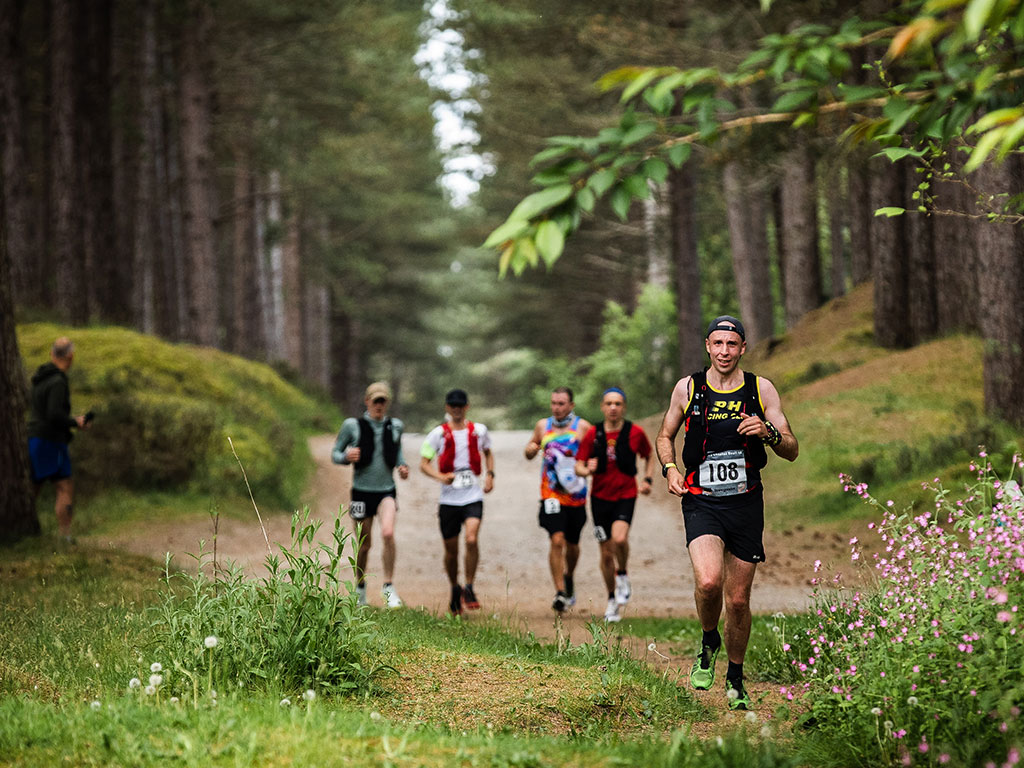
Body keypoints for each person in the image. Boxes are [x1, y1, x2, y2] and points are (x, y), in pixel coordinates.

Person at [656, 315, 798, 711]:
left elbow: (791, 447)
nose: (724, 351)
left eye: (731, 345)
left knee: (737, 601)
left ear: (742, 348)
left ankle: (735, 678)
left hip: (746, 501)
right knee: (708, 582)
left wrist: (768, 433)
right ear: (707, 346)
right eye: (717, 344)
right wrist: (670, 468)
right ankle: (708, 640)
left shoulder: (760, 388)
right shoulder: (689, 388)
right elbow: (665, 435)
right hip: (701, 499)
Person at [575, 387, 654, 623]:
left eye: (618, 403)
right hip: (599, 498)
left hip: (625, 494)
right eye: (609, 403)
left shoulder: (635, 433)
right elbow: (578, 465)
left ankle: (623, 573)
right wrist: (585, 470)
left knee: (619, 539)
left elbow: (649, 455)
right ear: (602, 407)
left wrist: (647, 479)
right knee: (605, 552)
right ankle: (611, 599)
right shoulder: (593, 434)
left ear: (624, 407)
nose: (613, 408)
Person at [331, 382, 410, 608]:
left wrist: (402, 467)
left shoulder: (395, 426)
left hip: (386, 491)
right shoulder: (352, 426)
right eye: (375, 401)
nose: (379, 405)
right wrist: (347, 456)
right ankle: (360, 588)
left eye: (383, 401)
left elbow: (398, 455)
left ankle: (388, 588)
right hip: (361, 493)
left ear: (387, 404)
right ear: (367, 401)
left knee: (387, 533)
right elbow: (335, 453)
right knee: (363, 544)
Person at [420, 388, 495, 616]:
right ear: (447, 408)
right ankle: (455, 587)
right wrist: (440, 477)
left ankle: (469, 586)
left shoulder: (479, 431)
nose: (456, 409)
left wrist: (490, 475)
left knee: (471, 539)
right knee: (451, 551)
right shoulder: (437, 434)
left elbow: (488, 452)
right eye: (453, 405)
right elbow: (424, 463)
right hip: (449, 500)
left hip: (473, 496)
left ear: (467, 407)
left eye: (460, 405)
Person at [524, 387, 591, 612]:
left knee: (572, 545)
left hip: (576, 495)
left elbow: (596, 453)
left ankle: (569, 575)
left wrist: (589, 464)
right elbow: (529, 450)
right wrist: (531, 449)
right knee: (557, 540)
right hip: (550, 493)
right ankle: (561, 592)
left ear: (571, 405)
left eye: (562, 403)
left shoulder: (582, 427)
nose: (557, 408)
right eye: (554, 403)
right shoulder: (543, 426)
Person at [27, 337, 91, 543]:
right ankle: (65, 536)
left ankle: (21, 531)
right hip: (51, 441)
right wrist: (76, 422)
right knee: (64, 486)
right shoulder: (57, 382)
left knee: (33, 485)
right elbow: (54, 414)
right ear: (70, 356)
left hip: (35, 438)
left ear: (52, 354)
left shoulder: (40, 379)